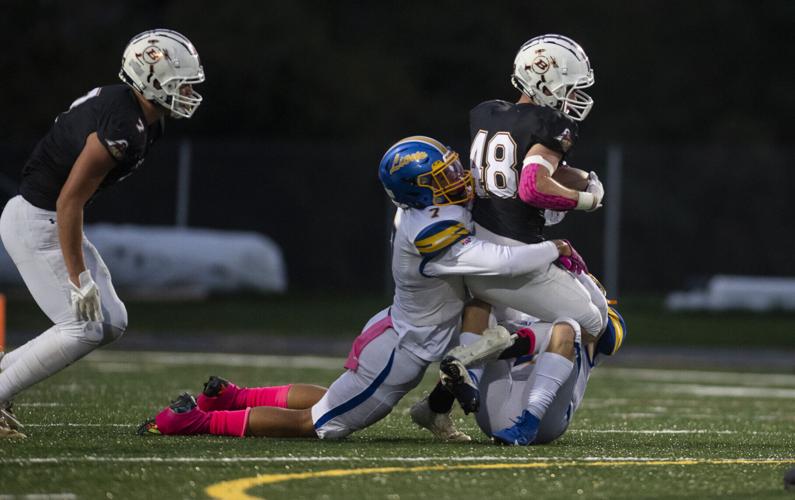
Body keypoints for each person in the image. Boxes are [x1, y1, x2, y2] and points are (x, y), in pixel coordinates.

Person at [138, 136, 584, 440]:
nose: (456, 179)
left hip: (401, 329)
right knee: (319, 423)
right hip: (402, 351)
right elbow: (500, 260)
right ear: (419, 194)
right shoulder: (432, 229)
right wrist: (552, 248)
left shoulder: (428, 211)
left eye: (451, 168)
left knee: (337, 395)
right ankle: (195, 421)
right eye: (442, 178)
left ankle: (233, 396)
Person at [0, 29, 205, 438]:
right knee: (84, 326)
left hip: (48, 218)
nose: (186, 92)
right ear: (150, 77)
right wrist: (80, 280)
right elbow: (68, 202)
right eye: (179, 82)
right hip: (40, 219)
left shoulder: (143, 119)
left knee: (111, 322)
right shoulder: (123, 124)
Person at [412, 34, 608, 436]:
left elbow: (527, 167)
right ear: (545, 78)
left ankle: (439, 402)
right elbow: (534, 186)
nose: (573, 97)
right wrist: (585, 201)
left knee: (487, 306)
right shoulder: (550, 123)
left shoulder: (486, 114)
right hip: (518, 258)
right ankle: (480, 356)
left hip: (477, 251)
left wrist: (584, 178)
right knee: (589, 321)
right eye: (569, 87)